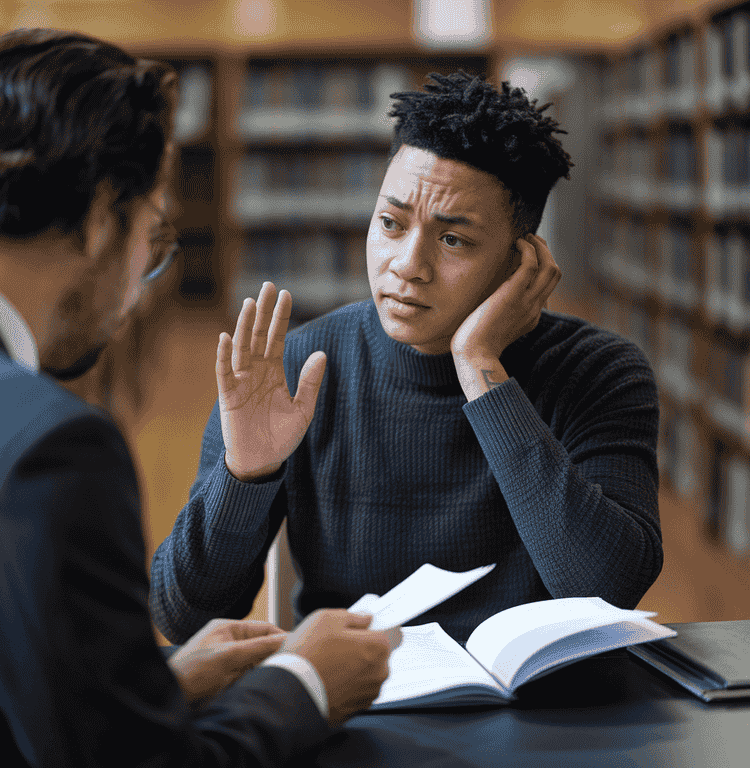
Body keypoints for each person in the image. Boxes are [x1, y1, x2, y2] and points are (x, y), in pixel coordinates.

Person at [0, 28, 397, 768]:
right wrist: (304, 682)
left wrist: (150, 686)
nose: (144, 281)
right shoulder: (51, 445)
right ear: (104, 216)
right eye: (155, 234)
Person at [151, 71, 663, 646]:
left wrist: (481, 370)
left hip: (539, 716)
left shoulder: (600, 372)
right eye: (391, 224)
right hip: (359, 709)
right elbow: (183, 618)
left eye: (452, 241)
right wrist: (244, 476)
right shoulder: (296, 370)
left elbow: (607, 588)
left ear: (521, 262)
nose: (406, 265)